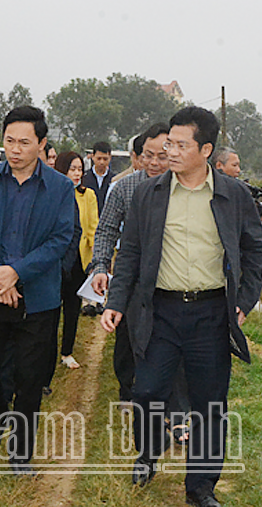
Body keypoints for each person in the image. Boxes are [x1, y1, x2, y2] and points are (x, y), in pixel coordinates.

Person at [101, 106, 262, 507]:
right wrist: (116, 303)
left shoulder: (233, 195)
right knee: (147, 391)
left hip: (211, 312)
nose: (169, 152)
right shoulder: (149, 194)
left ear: (205, 150)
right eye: (168, 143)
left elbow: (254, 250)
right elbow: (132, 255)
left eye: (179, 145)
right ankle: (148, 453)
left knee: (210, 402)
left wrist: (244, 301)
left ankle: (201, 486)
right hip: (160, 311)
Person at [0, 105, 75, 476]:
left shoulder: (59, 188)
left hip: (38, 299)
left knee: (30, 378)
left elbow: (61, 239)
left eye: (24, 142)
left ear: (41, 144)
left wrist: (18, 273)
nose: (15, 149)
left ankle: (20, 452)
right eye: (9, 141)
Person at [90, 123, 170, 407]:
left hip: (169, 278)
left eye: (162, 156)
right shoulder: (126, 188)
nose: (154, 163)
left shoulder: (184, 189)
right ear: (139, 155)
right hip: (133, 274)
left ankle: (164, 397)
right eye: (148, 156)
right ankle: (128, 388)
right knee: (128, 334)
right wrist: (100, 266)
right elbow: (106, 230)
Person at [55, 151, 98, 370]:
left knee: (72, 309)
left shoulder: (87, 195)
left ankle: (67, 352)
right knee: (52, 310)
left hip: (78, 261)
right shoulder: (52, 193)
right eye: (72, 168)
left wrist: (93, 262)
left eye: (80, 169)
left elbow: (92, 228)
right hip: (55, 262)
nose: (77, 173)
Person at [81, 141, 114, 214]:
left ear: (110, 158)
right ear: (93, 157)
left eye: (105, 159)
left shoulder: (114, 179)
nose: (102, 162)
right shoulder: (83, 178)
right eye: (99, 158)